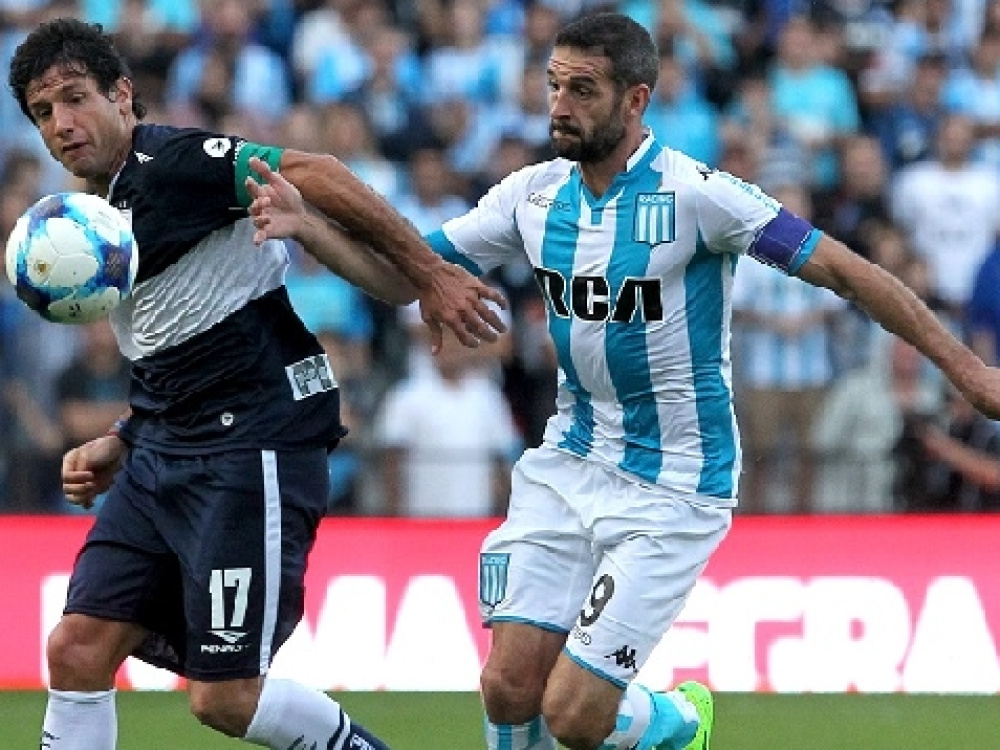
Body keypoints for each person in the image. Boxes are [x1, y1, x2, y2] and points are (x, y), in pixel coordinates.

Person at [247, 12, 1000, 750]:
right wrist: (310, 228)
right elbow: (404, 275)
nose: (560, 105)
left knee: (574, 717)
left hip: (676, 482)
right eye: (554, 85)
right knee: (508, 686)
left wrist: (965, 368)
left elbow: (848, 272)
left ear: (635, 100)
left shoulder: (700, 196)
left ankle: (677, 721)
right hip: (570, 459)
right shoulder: (531, 196)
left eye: (582, 90)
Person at [9, 17, 505, 750]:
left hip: (251, 445)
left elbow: (315, 171)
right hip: (166, 448)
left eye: (75, 98)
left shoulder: (175, 163)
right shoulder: (96, 214)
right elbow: (185, 338)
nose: (61, 123)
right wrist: (127, 435)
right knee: (76, 649)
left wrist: (431, 274)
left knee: (226, 697)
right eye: (43, 112)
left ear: (122, 94)